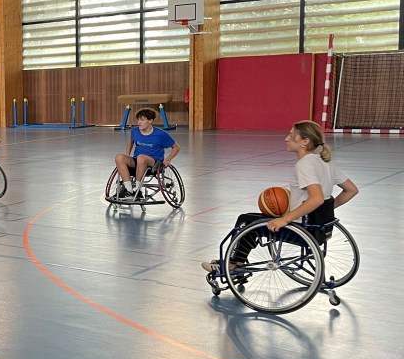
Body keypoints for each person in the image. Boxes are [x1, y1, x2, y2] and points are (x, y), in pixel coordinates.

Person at [202, 120, 359, 274]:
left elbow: (316, 199)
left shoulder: (305, 164)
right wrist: (325, 211)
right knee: (251, 218)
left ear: (305, 142)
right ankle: (237, 261)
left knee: (245, 221)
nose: (286, 139)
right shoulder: (326, 162)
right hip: (321, 229)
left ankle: (232, 264)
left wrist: (285, 219)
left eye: (291, 135)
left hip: (302, 229)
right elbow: (351, 190)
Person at [113, 108, 179, 200]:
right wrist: (127, 154)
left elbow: (176, 147)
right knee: (119, 157)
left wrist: (168, 159)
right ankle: (129, 190)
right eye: (138, 120)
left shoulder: (161, 134)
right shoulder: (135, 131)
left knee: (141, 158)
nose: (139, 122)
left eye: (142, 120)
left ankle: (138, 190)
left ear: (150, 121)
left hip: (154, 163)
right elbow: (130, 142)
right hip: (137, 160)